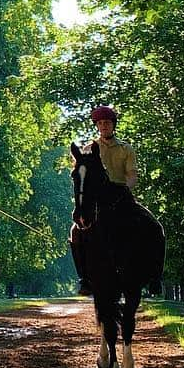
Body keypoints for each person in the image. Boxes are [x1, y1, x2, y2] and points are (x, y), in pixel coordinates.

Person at [71, 104, 138, 295]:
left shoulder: (126, 149)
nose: (103, 126)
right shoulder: (88, 148)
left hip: (120, 196)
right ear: (96, 126)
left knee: (152, 225)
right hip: (96, 200)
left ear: (113, 125)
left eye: (107, 123)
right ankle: (84, 278)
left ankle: (152, 275)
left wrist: (126, 188)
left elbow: (132, 175)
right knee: (75, 232)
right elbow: (81, 175)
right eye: (100, 123)